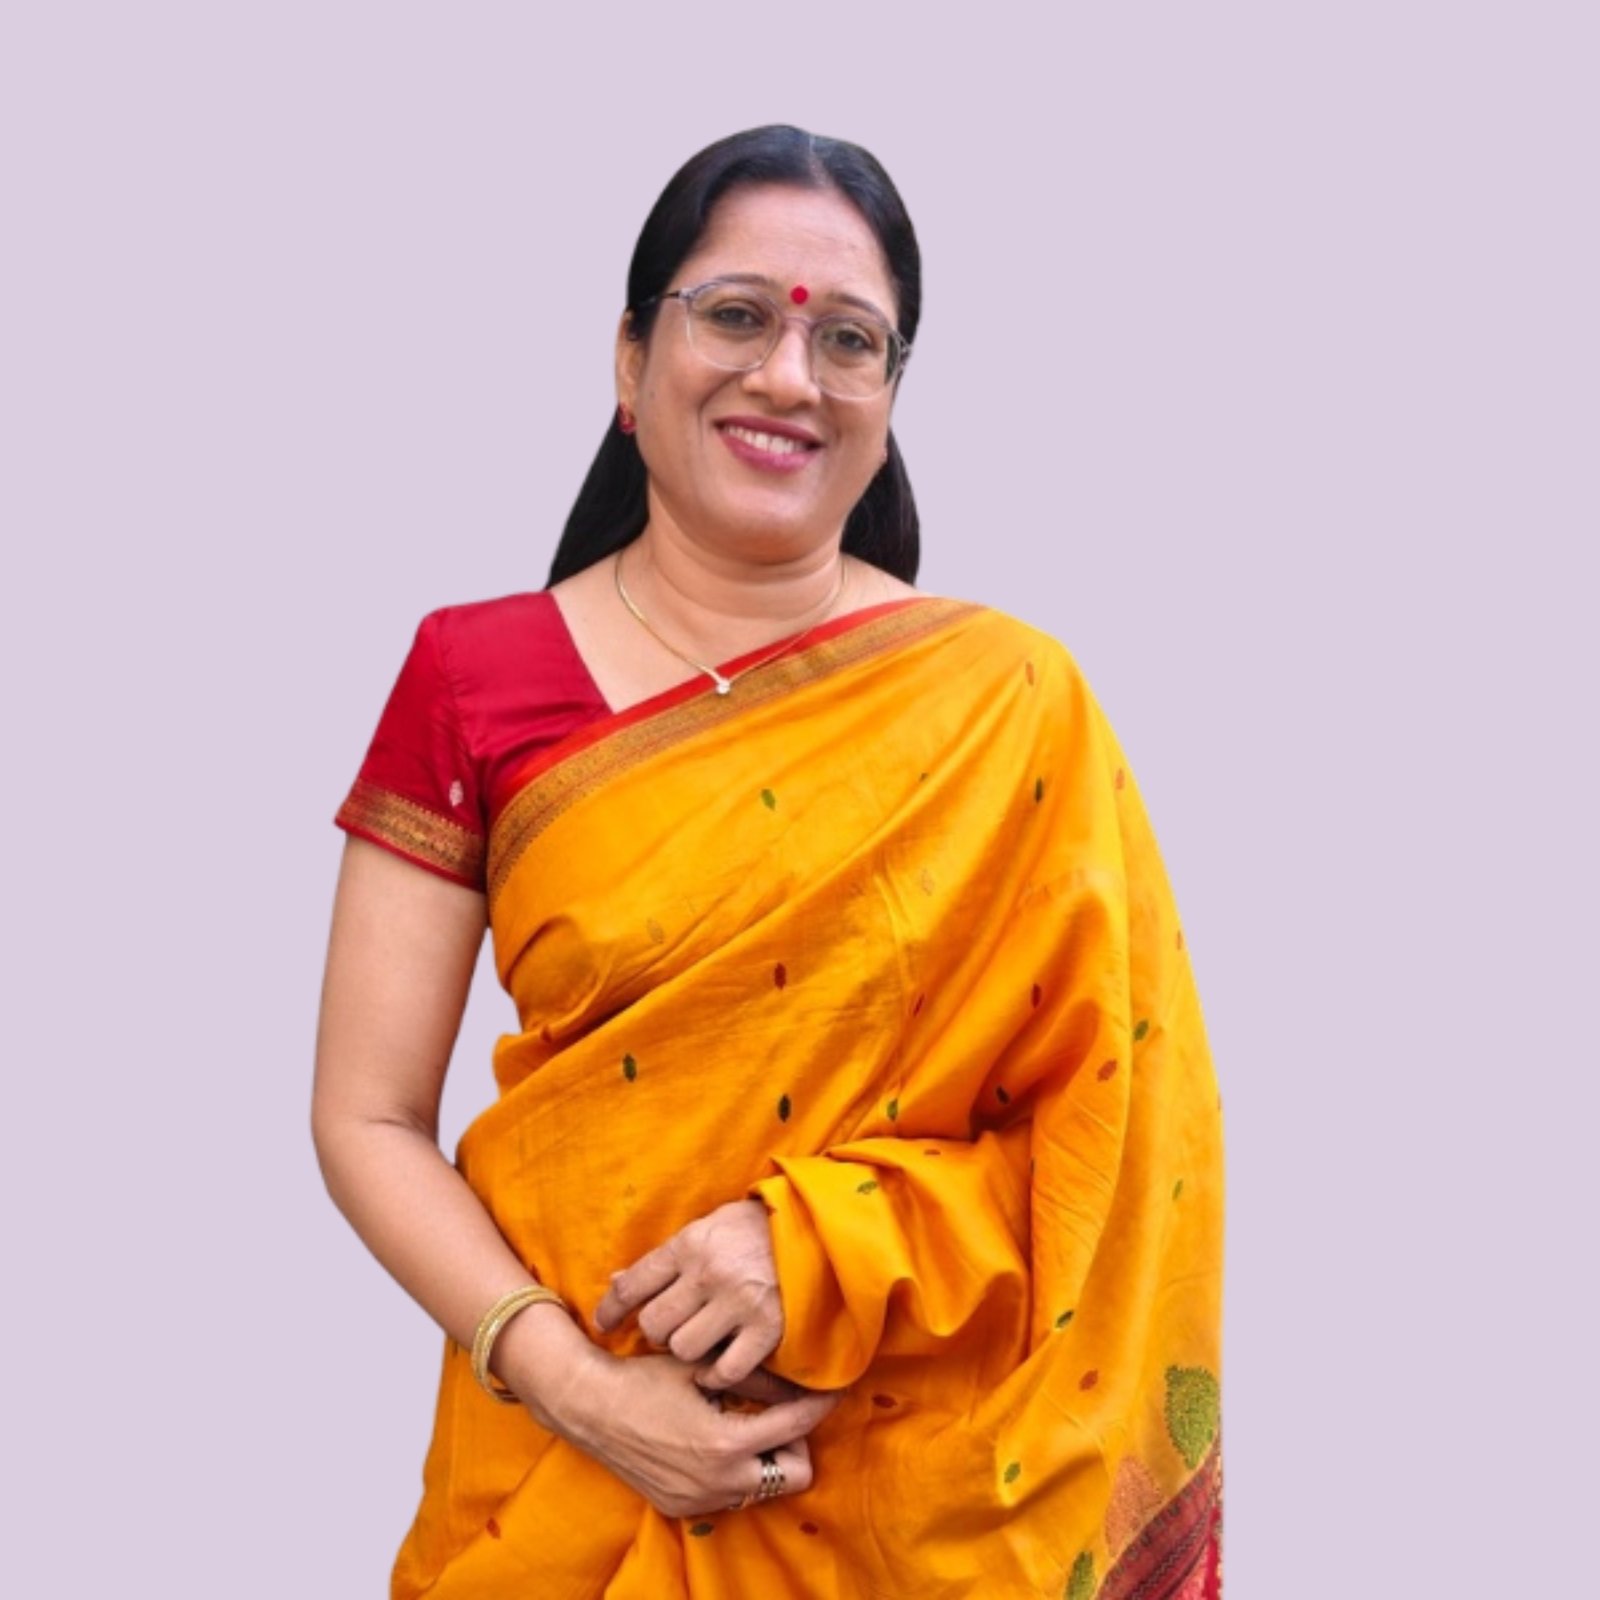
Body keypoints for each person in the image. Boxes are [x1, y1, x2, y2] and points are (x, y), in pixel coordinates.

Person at [314, 124, 1223, 1600]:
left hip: (923, 1522)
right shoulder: (472, 677)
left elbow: (1115, 1148)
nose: (789, 376)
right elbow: (366, 1116)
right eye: (735, 315)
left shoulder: (1009, 701)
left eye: (847, 340)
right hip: (555, 1499)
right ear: (629, 361)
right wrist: (582, 1391)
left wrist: (813, 1246)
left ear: (890, 398)